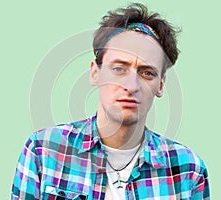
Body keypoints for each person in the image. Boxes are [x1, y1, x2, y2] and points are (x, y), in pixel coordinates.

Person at [11, 3, 210, 200]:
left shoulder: (188, 170)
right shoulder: (43, 151)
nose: (131, 86)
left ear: (160, 85)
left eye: (147, 73)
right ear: (95, 73)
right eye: (118, 69)